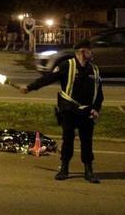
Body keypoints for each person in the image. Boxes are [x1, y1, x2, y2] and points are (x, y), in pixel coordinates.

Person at [20, 40, 103, 183]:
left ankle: (89, 171)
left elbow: (99, 93)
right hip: (69, 111)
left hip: (87, 112)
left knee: (87, 142)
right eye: (89, 50)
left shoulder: (94, 70)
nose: (92, 53)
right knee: (68, 140)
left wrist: (96, 108)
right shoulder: (66, 66)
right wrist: (30, 87)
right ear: (82, 52)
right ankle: (64, 169)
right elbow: (48, 79)